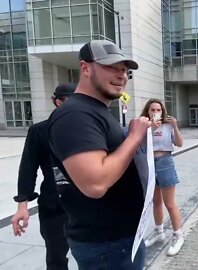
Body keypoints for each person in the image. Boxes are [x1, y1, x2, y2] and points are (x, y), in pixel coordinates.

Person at [48, 40, 151, 270]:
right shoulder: (75, 114)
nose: (121, 75)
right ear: (85, 68)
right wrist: (134, 137)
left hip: (120, 241)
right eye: (111, 67)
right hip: (107, 246)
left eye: (124, 70)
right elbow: (95, 183)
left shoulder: (96, 110)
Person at [11, 83, 76, 270]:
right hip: (53, 205)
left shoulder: (87, 129)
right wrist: (22, 204)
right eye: (72, 102)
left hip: (86, 205)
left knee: (91, 255)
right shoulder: (39, 131)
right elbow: (28, 168)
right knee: (56, 258)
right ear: (58, 102)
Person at [141, 98, 185, 256]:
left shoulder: (167, 126)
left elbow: (180, 143)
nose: (155, 113)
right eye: (152, 110)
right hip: (150, 163)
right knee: (156, 201)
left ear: (163, 111)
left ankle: (178, 235)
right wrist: (151, 128)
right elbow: (139, 144)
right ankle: (159, 231)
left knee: (170, 203)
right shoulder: (144, 126)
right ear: (147, 111)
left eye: (158, 110)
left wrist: (175, 126)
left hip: (165, 162)